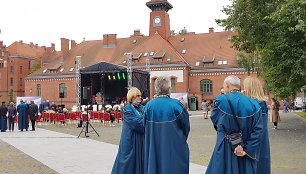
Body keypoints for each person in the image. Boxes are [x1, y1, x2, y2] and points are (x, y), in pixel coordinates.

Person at [206, 75, 263, 174]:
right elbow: (258, 130)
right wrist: (246, 150)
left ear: (227, 85)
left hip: (225, 147)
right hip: (245, 149)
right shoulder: (254, 104)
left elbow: (215, 121)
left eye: (224, 86)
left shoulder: (221, 100)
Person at [143, 76, 190, 174]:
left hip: (154, 147)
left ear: (156, 89)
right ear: (169, 89)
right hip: (174, 147)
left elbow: (144, 126)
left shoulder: (148, 106)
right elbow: (186, 127)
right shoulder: (177, 105)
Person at [112, 87, 144, 174]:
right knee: (127, 165)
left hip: (140, 140)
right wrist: (146, 121)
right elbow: (137, 124)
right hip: (130, 140)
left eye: (140, 96)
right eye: (138, 96)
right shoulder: (127, 109)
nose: (140, 98)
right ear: (132, 97)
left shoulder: (141, 108)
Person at [243, 76, 271, 174]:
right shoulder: (262, 103)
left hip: (254, 144)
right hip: (262, 142)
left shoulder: (255, 105)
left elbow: (259, 128)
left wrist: (248, 149)